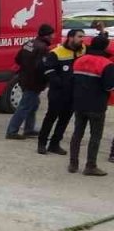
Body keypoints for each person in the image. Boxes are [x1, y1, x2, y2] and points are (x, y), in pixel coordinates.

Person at [68, 35, 114, 175]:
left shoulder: (79, 60)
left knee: (77, 133)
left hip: (79, 103)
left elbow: (72, 81)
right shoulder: (107, 64)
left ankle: (73, 163)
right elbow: (109, 87)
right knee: (95, 136)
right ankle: (90, 166)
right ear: (105, 47)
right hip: (96, 105)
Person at [38, 28, 86, 155]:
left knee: (64, 120)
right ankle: (42, 143)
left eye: (83, 37)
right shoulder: (56, 53)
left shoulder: (82, 50)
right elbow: (48, 70)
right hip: (58, 93)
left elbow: (99, 47)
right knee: (50, 118)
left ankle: (54, 144)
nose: (82, 39)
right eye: (80, 36)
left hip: (73, 94)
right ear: (70, 37)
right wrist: (60, 83)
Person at [6, 25, 53, 140]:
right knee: (25, 106)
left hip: (24, 78)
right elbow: (41, 67)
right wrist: (47, 80)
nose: (53, 37)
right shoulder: (43, 48)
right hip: (34, 82)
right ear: (47, 35)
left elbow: (18, 59)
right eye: (52, 34)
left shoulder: (29, 43)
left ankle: (29, 128)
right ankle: (12, 131)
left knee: (33, 104)